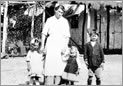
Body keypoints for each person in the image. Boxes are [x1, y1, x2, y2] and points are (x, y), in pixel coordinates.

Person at [40, 4, 70, 85]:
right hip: (51, 44)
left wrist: (65, 47)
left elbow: (67, 36)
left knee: (60, 65)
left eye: (62, 12)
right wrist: (42, 45)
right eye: (59, 11)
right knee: (50, 64)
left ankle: (58, 83)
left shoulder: (64, 21)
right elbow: (44, 33)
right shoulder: (49, 20)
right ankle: (49, 83)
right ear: (55, 10)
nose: (60, 14)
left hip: (61, 45)